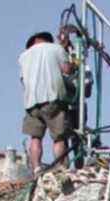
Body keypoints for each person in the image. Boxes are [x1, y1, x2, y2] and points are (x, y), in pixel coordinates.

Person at [19, 31, 73, 175]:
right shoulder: (56, 49)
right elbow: (67, 70)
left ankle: (36, 168)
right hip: (52, 98)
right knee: (59, 137)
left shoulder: (23, 56)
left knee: (35, 137)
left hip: (31, 103)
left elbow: (23, 80)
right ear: (48, 40)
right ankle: (60, 169)